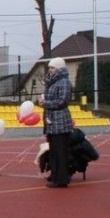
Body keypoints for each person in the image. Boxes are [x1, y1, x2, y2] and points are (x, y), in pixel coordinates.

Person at [37, 57, 74, 188]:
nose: (50, 70)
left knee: (60, 152)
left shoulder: (64, 82)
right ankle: (55, 175)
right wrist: (42, 101)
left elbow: (63, 101)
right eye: (50, 67)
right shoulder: (51, 83)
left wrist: (46, 103)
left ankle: (61, 179)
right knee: (53, 152)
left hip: (60, 122)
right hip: (51, 122)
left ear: (59, 68)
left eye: (52, 67)